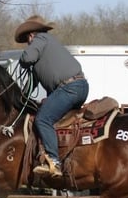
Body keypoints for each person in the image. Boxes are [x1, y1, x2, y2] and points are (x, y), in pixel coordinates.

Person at [15, 15, 89, 178]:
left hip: (69, 88)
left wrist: (23, 58)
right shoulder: (48, 46)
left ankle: (54, 161)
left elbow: (27, 58)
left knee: (43, 119)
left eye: (27, 41)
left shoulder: (40, 38)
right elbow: (32, 83)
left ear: (30, 35)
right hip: (80, 86)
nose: (28, 44)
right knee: (54, 117)